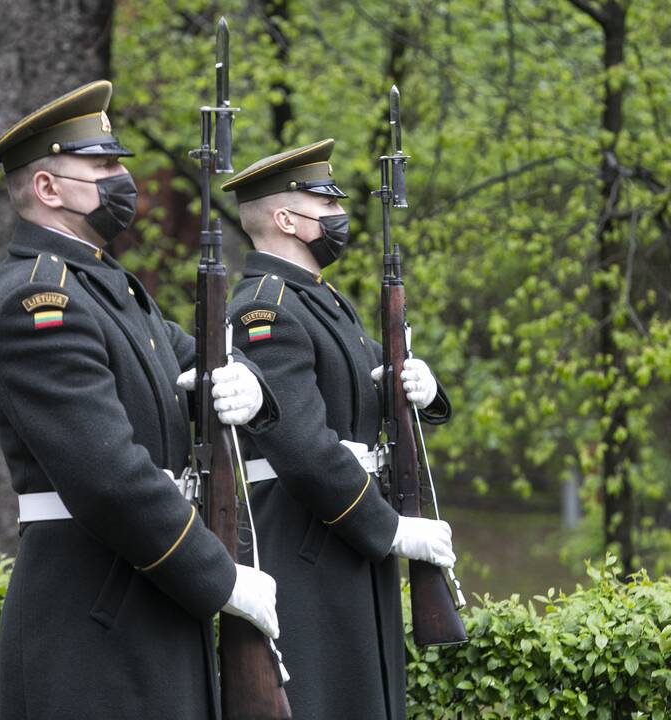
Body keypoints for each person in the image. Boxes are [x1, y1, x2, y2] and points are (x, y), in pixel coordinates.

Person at [0, 80, 281, 720]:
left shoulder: (109, 287)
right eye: (102, 165)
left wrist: (250, 385)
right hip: (94, 614)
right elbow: (109, 475)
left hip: (145, 594)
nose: (123, 178)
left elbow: (197, 355)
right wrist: (218, 575)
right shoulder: (41, 305)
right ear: (48, 189)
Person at [222, 138, 457, 720]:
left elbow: (365, 384)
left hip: (345, 533)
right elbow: (302, 446)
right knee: (327, 697)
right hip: (307, 537)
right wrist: (390, 529)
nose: (338, 217)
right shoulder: (266, 309)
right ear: (286, 219)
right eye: (325, 205)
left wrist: (420, 392)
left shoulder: (322, 302)